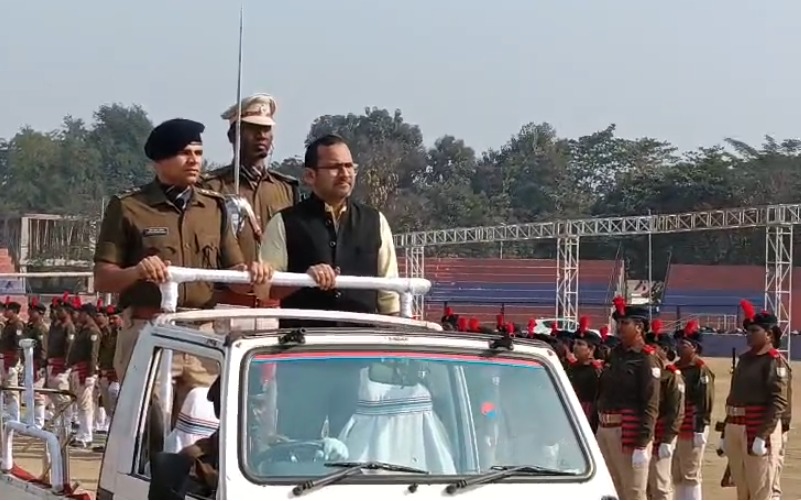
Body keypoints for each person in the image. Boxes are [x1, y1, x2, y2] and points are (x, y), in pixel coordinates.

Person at [91, 118, 272, 416]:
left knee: (205, 422)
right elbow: (103, 279)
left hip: (203, 335)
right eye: (184, 153)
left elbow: (234, 272)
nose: (194, 161)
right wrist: (138, 271)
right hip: (150, 329)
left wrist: (252, 274)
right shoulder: (129, 207)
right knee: (150, 425)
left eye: (198, 153)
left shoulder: (214, 208)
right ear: (159, 160)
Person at [256, 133, 400, 319]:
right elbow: (266, 289)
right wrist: (304, 279)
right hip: (305, 335)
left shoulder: (375, 221)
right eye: (335, 167)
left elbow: (390, 297)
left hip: (362, 335)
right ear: (310, 175)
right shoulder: (284, 222)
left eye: (349, 166)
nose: (345, 174)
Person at [202, 94, 299, 327]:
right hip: (228, 306)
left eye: (266, 129)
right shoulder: (211, 187)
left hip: (275, 307)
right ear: (233, 135)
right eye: (253, 129)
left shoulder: (286, 188)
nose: (261, 136)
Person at [721, 300, 788, 500]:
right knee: (743, 490)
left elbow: (778, 401)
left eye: (754, 330)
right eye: (748, 331)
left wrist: (762, 435)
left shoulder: (773, 361)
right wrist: (725, 432)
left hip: (757, 426)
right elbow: (734, 397)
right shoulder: (745, 359)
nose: (748, 334)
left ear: (769, 334)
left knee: (760, 490)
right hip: (736, 425)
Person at [596, 296, 661, 500]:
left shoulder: (646, 358)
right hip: (605, 429)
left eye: (625, 323)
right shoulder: (615, 354)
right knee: (611, 489)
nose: (619, 327)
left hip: (628, 432)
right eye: (619, 322)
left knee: (633, 491)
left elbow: (651, 402)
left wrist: (642, 443)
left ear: (639, 327)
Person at [672, 320, 714, 500]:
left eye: (684, 344)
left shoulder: (700, 370)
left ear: (694, 347)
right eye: (678, 343)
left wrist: (700, 428)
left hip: (692, 424)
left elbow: (705, 400)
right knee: (677, 471)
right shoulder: (676, 368)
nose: (678, 347)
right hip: (677, 425)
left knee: (690, 472)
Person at [644, 319, 684, 500]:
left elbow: (677, 410)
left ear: (665, 350)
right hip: (647, 433)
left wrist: (667, 439)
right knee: (645, 484)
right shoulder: (647, 373)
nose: (649, 351)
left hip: (662, 433)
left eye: (654, 347)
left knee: (660, 483)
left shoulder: (671, 376)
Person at [565, 316, 603, 433]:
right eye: (575, 343)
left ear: (591, 349)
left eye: (580, 344)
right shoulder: (570, 368)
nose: (575, 347)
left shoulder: (596, 371)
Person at [22, 297, 49, 428]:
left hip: (37, 364)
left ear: (40, 313)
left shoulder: (41, 329)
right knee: (29, 392)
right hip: (29, 362)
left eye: (33, 311)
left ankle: (38, 421)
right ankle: (30, 419)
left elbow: (43, 349)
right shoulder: (31, 327)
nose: (29, 313)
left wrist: (41, 367)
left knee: (37, 394)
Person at [1, 299, 24, 422]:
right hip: (5, 358)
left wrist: (14, 363)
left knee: (12, 390)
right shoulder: (8, 324)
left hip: (11, 360)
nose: (5, 312)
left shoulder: (17, 325)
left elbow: (18, 345)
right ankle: (9, 417)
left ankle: (15, 418)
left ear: (14, 311)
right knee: (6, 389)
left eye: (8, 310)